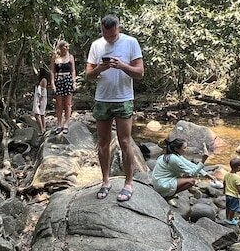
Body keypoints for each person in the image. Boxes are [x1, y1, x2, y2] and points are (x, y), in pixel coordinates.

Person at [85, 14, 144, 202]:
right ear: (101, 30)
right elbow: (88, 75)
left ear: (118, 28)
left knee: (125, 141)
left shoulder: (131, 42)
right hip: (102, 98)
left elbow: (140, 73)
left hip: (123, 98)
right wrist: (100, 69)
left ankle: (128, 183)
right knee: (102, 142)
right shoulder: (96, 45)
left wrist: (122, 66)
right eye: (105, 35)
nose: (109, 38)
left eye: (112, 35)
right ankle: (105, 181)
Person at [151, 138, 216, 198]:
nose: (186, 149)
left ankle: (169, 192)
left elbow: (190, 164)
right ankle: (168, 196)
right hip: (162, 184)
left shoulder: (174, 155)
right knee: (191, 181)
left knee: (186, 175)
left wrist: (207, 175)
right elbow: (192, 173)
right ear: (177, 149)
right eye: (184, 148)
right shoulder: (173, 159)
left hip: (159, 181)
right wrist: (203, 160)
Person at [50, 39, 76, 134]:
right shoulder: (55, 58)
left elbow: (73, 70)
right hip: (58, 80)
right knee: (59, 104)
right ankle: (59, 124)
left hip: (68, 80)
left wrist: (74, 82)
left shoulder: (71, 57)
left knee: (68, 104)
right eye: (65, 46)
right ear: (61, 47)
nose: (67, 48)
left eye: (68, 46)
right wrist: (52, 83)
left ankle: (66, 123)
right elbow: (52, 71)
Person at [223, 157, 240, 225]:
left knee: (228, 207)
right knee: (233, 208)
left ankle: (227, 218)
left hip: (227, 194)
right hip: (234, 195)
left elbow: (224, 183)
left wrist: (224, 190)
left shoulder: (227, 174)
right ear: (238, 167)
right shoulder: (237, 177)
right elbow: (238, 187)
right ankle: (231, 220)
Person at [32, 68, 50, 134]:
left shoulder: (43, 80)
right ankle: (43, 129)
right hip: (39, 98)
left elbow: (43, 91)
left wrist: (39, 101)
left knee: (37, 115)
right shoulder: (42, 80)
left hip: (40, 98)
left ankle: (42, 129)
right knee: (41, 114)